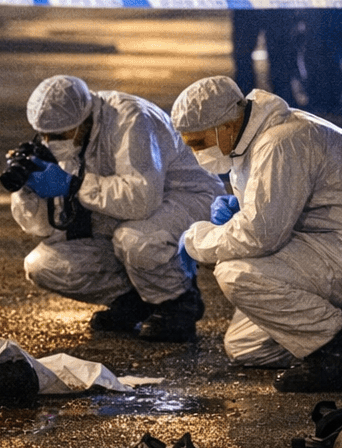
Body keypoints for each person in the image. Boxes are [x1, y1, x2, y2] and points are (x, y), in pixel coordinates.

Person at [169, 76, 342, 392]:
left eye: (199, 143)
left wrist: (199, 239)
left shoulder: (280, 141)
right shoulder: (252, 138)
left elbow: (260, 235)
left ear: (224, 126)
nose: (198, 153)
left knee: (235, 272)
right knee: (246, 346)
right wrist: (240, 211)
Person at [11, 76, 224, 341]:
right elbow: (43, 229)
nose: (49, 142)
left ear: (84, 119)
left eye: (57, 135)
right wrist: (28, 191)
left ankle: (177, 302)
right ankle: (139, 299)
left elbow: (141, 199)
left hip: (188, 198)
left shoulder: (131, 119)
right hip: (130, 213)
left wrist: (74, 185)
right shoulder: (68, 137)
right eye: (43, 135)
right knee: (43, 264)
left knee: (135, 240)